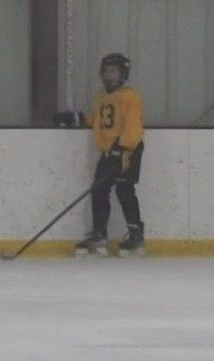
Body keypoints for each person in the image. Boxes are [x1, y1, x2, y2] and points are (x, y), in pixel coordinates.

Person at [57, 53, 147, 257]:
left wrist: (121, 148)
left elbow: (133, 126)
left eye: (113, 71)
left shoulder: (131, 96)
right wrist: (78, 118)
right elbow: (99, 119)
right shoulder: (101, 96)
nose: (109, 75)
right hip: (109, 152)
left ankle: (136, 235)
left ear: (123, 73)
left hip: (128, 151)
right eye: (106, 71)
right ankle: (99, 234)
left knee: (124, 190)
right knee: (98, 190)